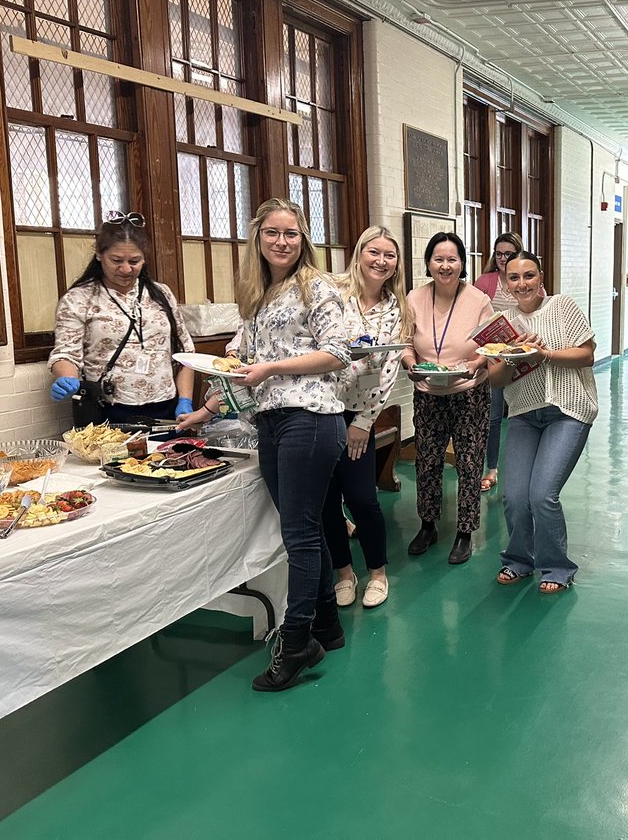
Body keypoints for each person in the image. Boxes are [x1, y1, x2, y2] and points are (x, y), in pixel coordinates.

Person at [178, 198, 351, 692]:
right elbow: (238, 364)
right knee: (308, 525)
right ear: (258, 238)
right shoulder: (259, 293)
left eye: (291, 233)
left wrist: (272, 368)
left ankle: (294, 643)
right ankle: (326, 627)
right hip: (271, 422)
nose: (282, 241)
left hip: (311, 418)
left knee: (298, 535)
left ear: (304, 239)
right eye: (273, 232)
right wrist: (204, 411)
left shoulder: (316, 287)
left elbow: (337, 353)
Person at [487, 251, 597, 594]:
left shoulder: (562, 306)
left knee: (542, 495)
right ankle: (519, 560)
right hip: (524, 413)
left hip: (567, 410)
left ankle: (556, 567)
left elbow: (587, 354)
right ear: (506, 283)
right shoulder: (502, 321)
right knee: (515, 496)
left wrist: (543, 353)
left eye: (529, 276)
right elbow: (495, 379)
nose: (522, 284)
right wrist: (512, 356)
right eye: (514, 278)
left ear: (541, 277)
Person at [324, 226, 412, 610]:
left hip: (360, 411)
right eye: (373, 252)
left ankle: (377, 572)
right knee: (326, 499)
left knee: (362, 498)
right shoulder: (332, 293)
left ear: (397, 264)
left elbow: (390, 366)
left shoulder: (397, 308)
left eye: (389, 255)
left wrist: (364, 420)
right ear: (359, 253)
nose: (381, 261)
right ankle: (344, 572)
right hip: (320, 408)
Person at [48, 212, 196, 423]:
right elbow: (66, 353)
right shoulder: (79, 298)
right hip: (107, 409)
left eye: (134, 261)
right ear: (99, 255)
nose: (126, 269)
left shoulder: (161, 293)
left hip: (165, 406)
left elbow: (185, 353)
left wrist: (185, 400)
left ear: (144, 258)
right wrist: (66, 378)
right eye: (116, 260)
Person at [400, 232, 493, 565]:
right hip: (427, 392)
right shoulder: (413, 298)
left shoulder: (479, 300)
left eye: (452, 259)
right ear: (428, 264)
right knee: (427, 461)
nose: (445, 265)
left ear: (463, 263)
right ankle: (428, 525)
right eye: (438, 259)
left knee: (469, 463)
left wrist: (476, 363)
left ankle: (465, 532)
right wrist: (411, 365)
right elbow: (406, 343)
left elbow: (490, 345)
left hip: (469, 392)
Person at [473, 231, 546, 493]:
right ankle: (492, 468)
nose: (503, 258)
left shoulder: (529, 281)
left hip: (524, 357)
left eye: (508, 253)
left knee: (522, 412)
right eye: (499, 253)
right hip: (495, 357)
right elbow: (475, 317)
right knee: (493, 417)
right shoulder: (486, 282)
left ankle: (531, 466)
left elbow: (540, 316)